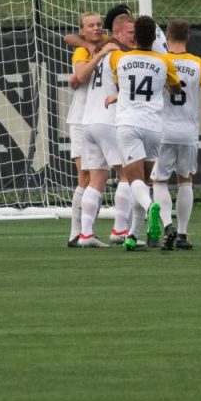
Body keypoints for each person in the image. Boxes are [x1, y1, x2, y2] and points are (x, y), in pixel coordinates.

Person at [106, 15, 181, 251]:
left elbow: (121, 83)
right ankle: (132, 235)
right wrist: (166, 84)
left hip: (129, 124)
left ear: (135, 37)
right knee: (144, 182)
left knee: (133, 180)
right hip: (153, 127)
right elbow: (177, 89)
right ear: (154, 38)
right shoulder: (164, 62)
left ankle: (151, 210)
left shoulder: (120, 59)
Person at [152, 19, 201, 251]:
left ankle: (167, 225)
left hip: (162, 129)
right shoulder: (199, 63)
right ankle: (182, 234)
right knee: (185, 181)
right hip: (188, 131)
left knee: (159, 181)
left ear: (166, 37)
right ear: (188, 36)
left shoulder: (160, 61)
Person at [74, 13, 135, 248]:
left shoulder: (98, 52)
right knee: (129, 174)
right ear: (117, 33)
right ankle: (120, 229)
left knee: (97, 178)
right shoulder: (117, 55)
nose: (134, 38)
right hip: (108, 120)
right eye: (130, 33)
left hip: (88, 122)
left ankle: (86, 235)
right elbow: (130, 84)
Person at [64, 11, 106, 247]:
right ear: (83, 30)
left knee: (98, 175)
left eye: (99, 24)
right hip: (80, 119)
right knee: (85, 176)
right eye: (90, 25)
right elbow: (79, 74)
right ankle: (75, 232)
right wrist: (93, 54)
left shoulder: (106, 45)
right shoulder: (82, 50)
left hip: (98, 118)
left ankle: (87, 231)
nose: (96, 28)